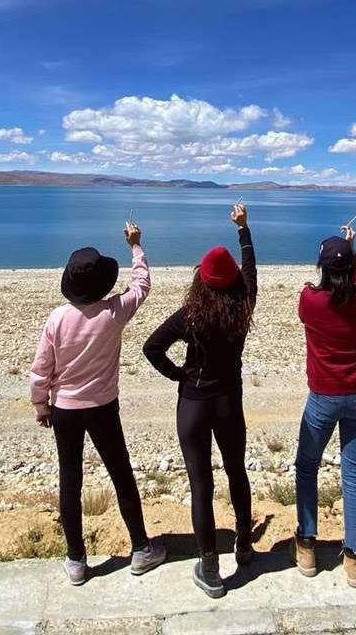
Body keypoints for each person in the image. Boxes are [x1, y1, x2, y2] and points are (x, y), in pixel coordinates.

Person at [29, 219, 167, 585]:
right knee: (121, 474)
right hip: (104, 407)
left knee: (70, 480)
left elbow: (42, 367)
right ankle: (141, 549)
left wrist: (41, 404)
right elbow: (142, 285)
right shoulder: (113, 312)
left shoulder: (58, 318)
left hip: (66, 411)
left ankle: (76, 560)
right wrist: (136, 245)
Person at [142, 202, 258, 598]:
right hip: (229, 401)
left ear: (200, 281)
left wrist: (179, 375)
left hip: (193, 403)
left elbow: (151, 347)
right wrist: (243, 229)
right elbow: (250, 272)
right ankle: (244, 545)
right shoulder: (243, 306)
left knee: (201, 484)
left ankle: (210, 569)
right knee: (236, 471)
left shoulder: (189, 315)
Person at [293, 221, 356, 589]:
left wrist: (347, 253)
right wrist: (352, 251)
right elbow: (354, 285)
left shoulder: (310, 301)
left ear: (322, 268)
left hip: (323, 398)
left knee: (307, 466)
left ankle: (308, 544)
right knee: (352, 473)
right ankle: (354, 557)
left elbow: (334, 283)